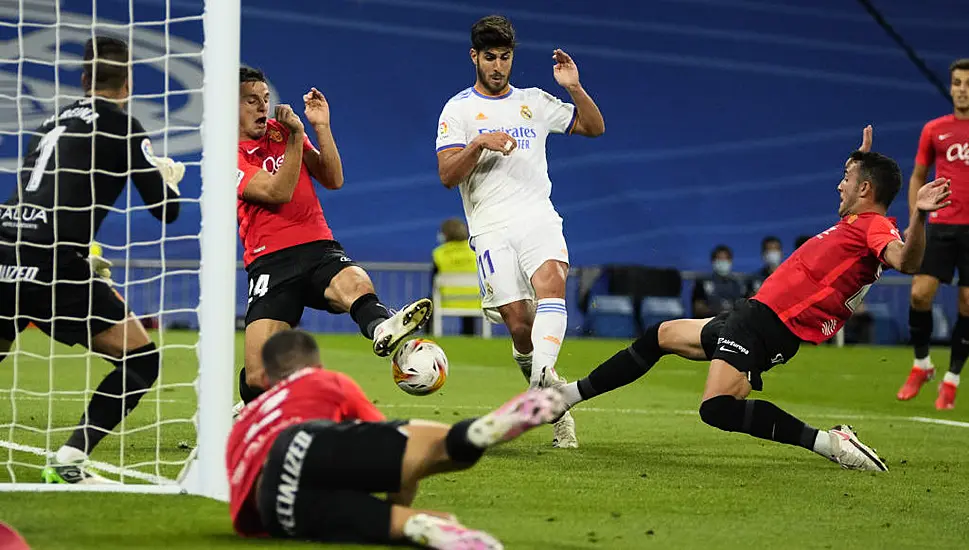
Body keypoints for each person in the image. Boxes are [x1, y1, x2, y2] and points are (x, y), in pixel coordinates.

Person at [554, 127, 952, 471]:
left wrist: (919, 216)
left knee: (716, 408)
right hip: (755, 315)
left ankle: (831, 444)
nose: (839, 184)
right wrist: (862, 159)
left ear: (865, 188)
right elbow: (873, 218)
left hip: (768, 323)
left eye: (847, 177)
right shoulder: (855, 224)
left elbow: (906, 259)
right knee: (662, 335)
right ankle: (565, 397)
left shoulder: (875, 226)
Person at [0, 36, 184, 483]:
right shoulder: (123, 127)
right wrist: (167, 178)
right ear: (129, 82)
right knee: (141, 361)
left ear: (84, 79)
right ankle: (69, 460)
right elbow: (166, 210)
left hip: (5, 250)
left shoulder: (51, 123)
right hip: (53, 264)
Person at [227, 329, 564, 549]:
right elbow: (394, 452)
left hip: (274, 506)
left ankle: (422, 527)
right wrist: (400, 488)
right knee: (435, 447)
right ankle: (475, 434)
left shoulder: (243, 421)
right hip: (303, 441)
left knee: (405, 525)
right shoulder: (324, 381)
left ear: (269, 377)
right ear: (316, 363)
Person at [434, 15, 605, 448]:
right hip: (490, 227)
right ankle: (553, 395)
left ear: (512, 58)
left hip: (537, 216)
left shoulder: (534, 101)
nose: (497, 66)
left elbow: (593, 127)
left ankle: (537, 392)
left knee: (551, 284)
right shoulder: (457, 109)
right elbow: (448, 177)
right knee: (518, 325)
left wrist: (574, 87)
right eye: (489, 57)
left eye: (505, 58)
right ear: (475, 57)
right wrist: (477, 143)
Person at [235, 67, 432, 407]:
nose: (262, 107)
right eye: (252, 101)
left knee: (355, 281)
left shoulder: (284, 132)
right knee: (258, 376)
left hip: (317, 245)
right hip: (270, 262)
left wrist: (320, 127)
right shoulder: (227, 154)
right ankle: (252, 408)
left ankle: (382, 327)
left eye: (266, 99)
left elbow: (332, 177)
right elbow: (277, 191)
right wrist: (297, 137)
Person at [896, 58, 969, 410]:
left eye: (968, 83)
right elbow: (917, 176)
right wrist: (916, 219)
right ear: (951, 86)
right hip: (941, 225)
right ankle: (922, 364)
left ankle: (952, 380)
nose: (962, 89)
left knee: (968, 304)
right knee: (919, 295)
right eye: (957, 83)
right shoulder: (934, 129)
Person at [431, 218, 479, 336]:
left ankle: (429, 335)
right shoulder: (475, 251)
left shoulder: (438, 253)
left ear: (445, 234)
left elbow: (433, 281)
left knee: (428, 304)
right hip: (475, 299)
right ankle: (469, 337)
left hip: (446, 299)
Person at [691, 245, 747, 318]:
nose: (723, 262)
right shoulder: (702, 282)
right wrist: (718, 312)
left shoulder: (738, 284)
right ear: (713, 261)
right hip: (709, 322)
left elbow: (745, 308)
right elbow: (698, 308)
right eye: (719, 259)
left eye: (725, 259)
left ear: (731, 261)